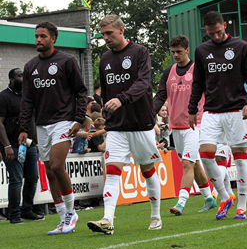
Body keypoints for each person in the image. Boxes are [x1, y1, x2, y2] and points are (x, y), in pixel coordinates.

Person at [87, 14, 162, 234]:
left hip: (140, 124)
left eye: (109, 33)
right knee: (112, 171)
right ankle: (107, 219)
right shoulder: (105, 59)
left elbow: (144, 83)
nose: (106, 38)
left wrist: (122, 99)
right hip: (117, 127)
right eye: (103, 35)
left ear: (121, 30)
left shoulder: (140, 52)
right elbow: (107, 91)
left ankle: (156, 216)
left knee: (147, 170)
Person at [19, 22, 87, 234]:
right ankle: (62, 218)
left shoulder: (67, 61)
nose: (38, 40)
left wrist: (78, 118)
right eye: (36, 36)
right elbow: (27, 100)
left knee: (57, 166)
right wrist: (24, 128)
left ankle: (71, 212)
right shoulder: (30, 66)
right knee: (49, 170)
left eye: (42, 36)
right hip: (42, 124)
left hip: (63, 121)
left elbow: (81, 92)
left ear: (53, 38)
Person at [188, 11, 247, 220]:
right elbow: (198, 82)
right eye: (211, 34)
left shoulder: (241, 47)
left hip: (237, 110)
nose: (215, 37)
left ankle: (242, 206)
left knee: (241, 159)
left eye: (218, 32)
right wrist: (192, 109)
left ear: (224, 26)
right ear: (206, 31)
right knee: (206, 153)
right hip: (212, 110)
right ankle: (226, 196)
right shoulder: (202, 50)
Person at [153, 35, 216, 215]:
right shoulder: (169, 72)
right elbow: (160, 96)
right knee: (194, 164)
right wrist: (150, 112)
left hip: (195, 124)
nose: (176, 55)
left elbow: (209, 93)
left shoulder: (198, 70)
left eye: (179, 52)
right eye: (173, 52)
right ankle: (209, 198)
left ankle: (180, 203)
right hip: (176, 126)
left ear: (187, 50)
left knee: (187, 163)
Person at [0, 68, 42, 224]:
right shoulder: (3, 97)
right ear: (11, 79)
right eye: (19, 76)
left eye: (24, 75)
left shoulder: (28, 97)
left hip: (28, 143)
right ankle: (14, 214)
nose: (23, 78)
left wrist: (36, 143)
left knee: (32, 177)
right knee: (16, 179)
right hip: (11, 144)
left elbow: (33, 121)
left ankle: (27, 210)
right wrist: (6, 146)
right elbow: (0, 123)